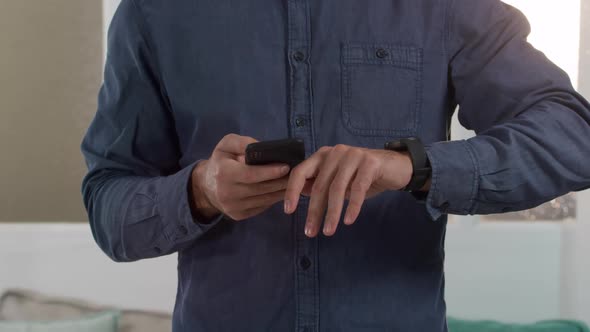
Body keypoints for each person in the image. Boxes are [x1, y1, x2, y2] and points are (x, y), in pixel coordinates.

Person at [81, 0, 590, 331]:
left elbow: (574, 137)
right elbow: (108, 205)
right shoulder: (155, 13)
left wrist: (413, 167)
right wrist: (199, 192)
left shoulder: (444, 7)